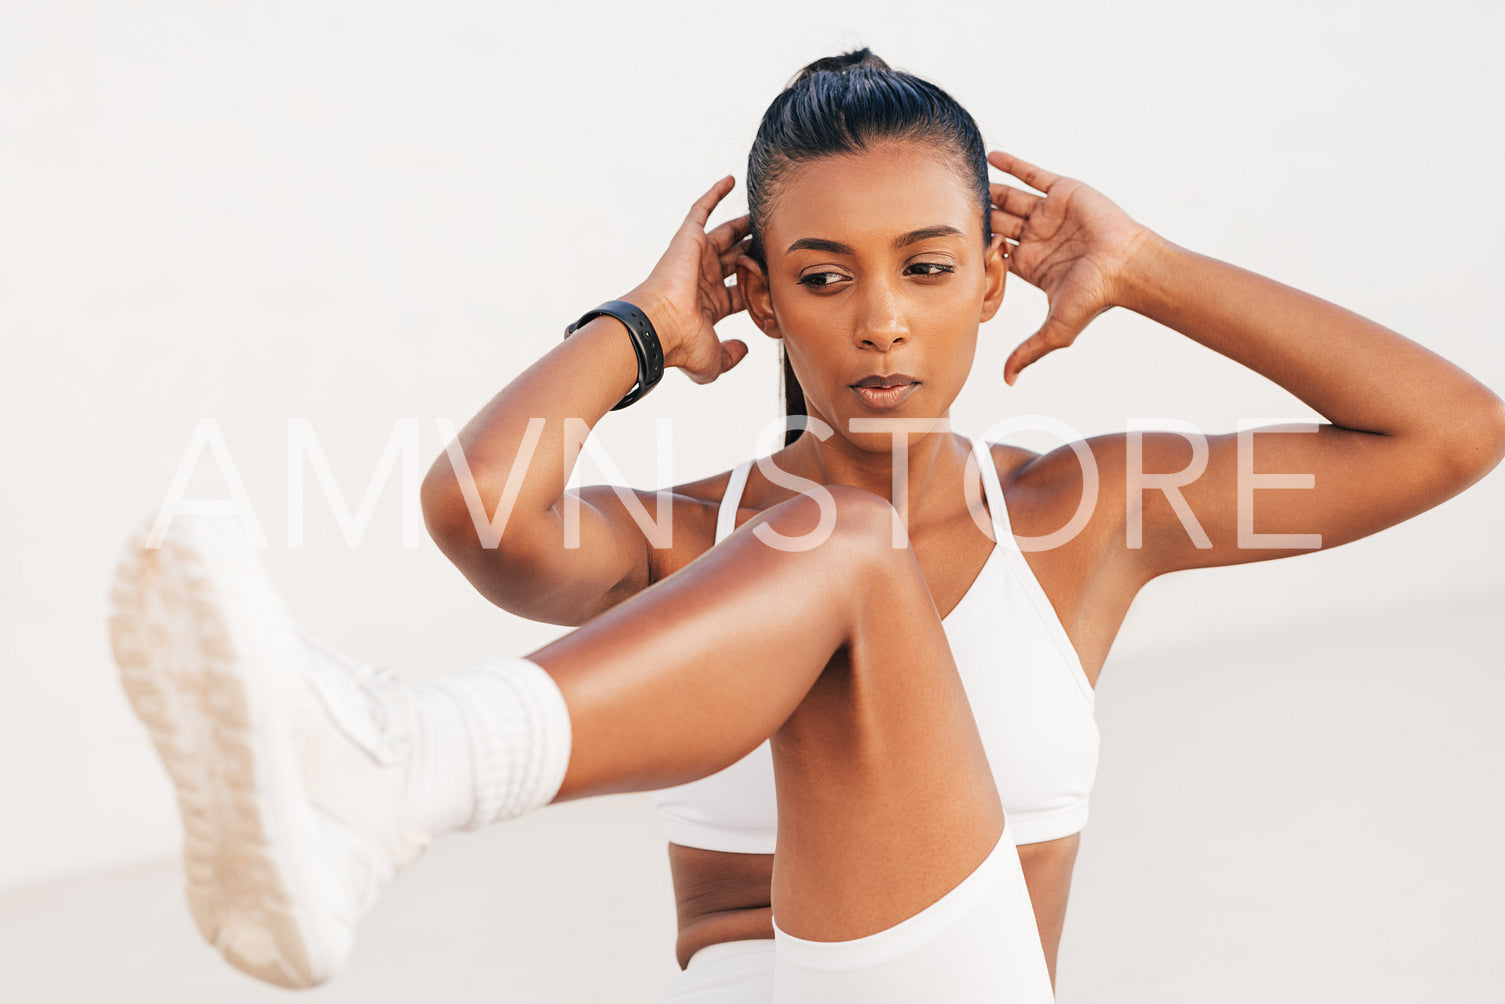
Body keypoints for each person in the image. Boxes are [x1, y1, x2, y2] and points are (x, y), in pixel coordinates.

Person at [109, 49, 1505, 1001]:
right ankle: (390, 771)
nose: (881, 318)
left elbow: (1450, 434)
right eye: (823, 276)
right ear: (762, 301)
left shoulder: (1080, 515)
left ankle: (403, 765)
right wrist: (639, 329)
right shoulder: (688, 538)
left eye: (926, 267)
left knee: (843, 544)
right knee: (822, 540)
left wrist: (1146, 271)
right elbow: (479, 517)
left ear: (991, 285)